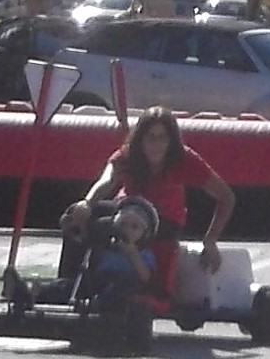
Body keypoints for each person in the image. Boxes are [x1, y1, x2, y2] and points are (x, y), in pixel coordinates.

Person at [59, 106, 235, 304]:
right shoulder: (127, 155)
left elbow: (226, 196)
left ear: (171, 141)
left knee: (121, 229)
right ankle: (69, 285)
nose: (156, 145)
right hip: (126, 211)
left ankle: (134, 288)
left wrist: (210, 239)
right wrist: (86, 203)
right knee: (77, 215)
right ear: (140, 139)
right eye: (150, 138)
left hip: (165, 222)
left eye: (162, 138)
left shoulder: (185, 159)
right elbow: (107, 180)